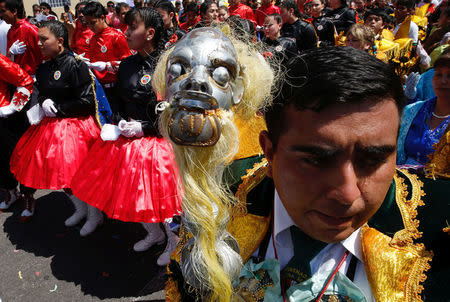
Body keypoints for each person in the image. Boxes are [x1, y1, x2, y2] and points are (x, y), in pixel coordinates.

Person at [165, 46, 449, 301]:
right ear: (270, 151)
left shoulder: (440, 226)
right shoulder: (217, 201)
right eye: (316, 160)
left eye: (373, 159)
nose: (347, 194)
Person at [152, 26, 275, 302]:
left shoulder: (258, 164)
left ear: (238, 90)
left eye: (219, 75)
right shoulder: (181, 152)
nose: (195, 82)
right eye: (180, 69)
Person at [71, 8, 182, 257]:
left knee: (160, 194)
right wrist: (120, 123)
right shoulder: (127, 65)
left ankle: (174, 240)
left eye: (132, 27)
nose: (126, 33)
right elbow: (119, 103)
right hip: (130, 139)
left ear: (150, 33)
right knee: (131, 192)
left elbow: (175, 110)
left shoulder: (171, 65)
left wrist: (144, 127)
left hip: (161, 141)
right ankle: (153, 233)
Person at [9, 21, 100, 223]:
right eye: (38, 39)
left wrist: (59, 108)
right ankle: (80, 209)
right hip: (50, 129)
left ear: (59, 41)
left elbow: (87, 102)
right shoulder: (43, 68)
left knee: (81, 174)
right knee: (60, 175)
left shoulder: (76, 64)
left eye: (44, 39)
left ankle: (94, 214)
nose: (39, 44)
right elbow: (41, 93)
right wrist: (44, 102)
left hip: (77, 128)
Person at [397, 53, 450, 166]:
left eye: (449, 76)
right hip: (405, 180)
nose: (443, 81)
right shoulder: (413, 111)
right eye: (438, 75)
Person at [82, 1, 132, 107]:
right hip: (100, 89)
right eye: (87, 23)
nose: (90, 27)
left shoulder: (116, 36)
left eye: (93, 22)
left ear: (102, 17)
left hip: (117, 88)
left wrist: (108, 65)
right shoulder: (92, 40)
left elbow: (128, 63)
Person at [0, 53, 33, 213]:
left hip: (5, 120)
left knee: (17, 158)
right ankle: (11, 192)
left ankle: (28, 196)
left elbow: (26, 81)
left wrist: (13, 106)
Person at [0, 0, 42, 77]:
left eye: (3, 11)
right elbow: (9, 60)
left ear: (14, 11)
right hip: (19, 78)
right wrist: (10, 53)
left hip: (33, 79)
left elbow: (44, 55)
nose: (1, 15)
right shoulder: (10, 31)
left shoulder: (30, 29)